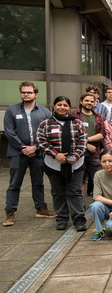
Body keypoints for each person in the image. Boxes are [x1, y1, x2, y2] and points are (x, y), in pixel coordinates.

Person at [3, 81, 55, 226]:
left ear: (36, 94)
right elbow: (9, 131)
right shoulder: (12, 110)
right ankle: (10, 212)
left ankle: (40, 208)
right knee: (14, 183)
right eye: (24, 92)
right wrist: (22, 147)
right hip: (17, 153)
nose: (26, 94)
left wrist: (35, 147)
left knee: (38, 182)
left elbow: (48, 132)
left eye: (29, 92)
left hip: (38, 153)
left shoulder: (44, 112)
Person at [37, 96, 88, 231]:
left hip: (75, 164)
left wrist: (76, 156)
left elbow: (83, 141)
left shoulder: (77, 123)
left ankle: (79, 219)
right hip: (53, 164)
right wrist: (56, 155)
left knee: (75, 192)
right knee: (58, 192)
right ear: (54, 106)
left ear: (69, 108)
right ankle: (62, 218)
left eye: (65, 105)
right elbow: (41, 142)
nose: (62, 107)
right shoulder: (45, 124)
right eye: (59, 104)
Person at [71, 93, 105, 196]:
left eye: (91, 101)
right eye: (87, 100)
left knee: (98, 180)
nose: (89, 103)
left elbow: (101, 134)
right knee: (80, 181)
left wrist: (85, 140)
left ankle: (98, 205)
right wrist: (86, 145)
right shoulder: (73, 115)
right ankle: (81, 207)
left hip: (94, 154)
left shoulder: (98, 116)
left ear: (95, 103)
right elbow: (71, 133)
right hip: (78, 154)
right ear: (81, 101)